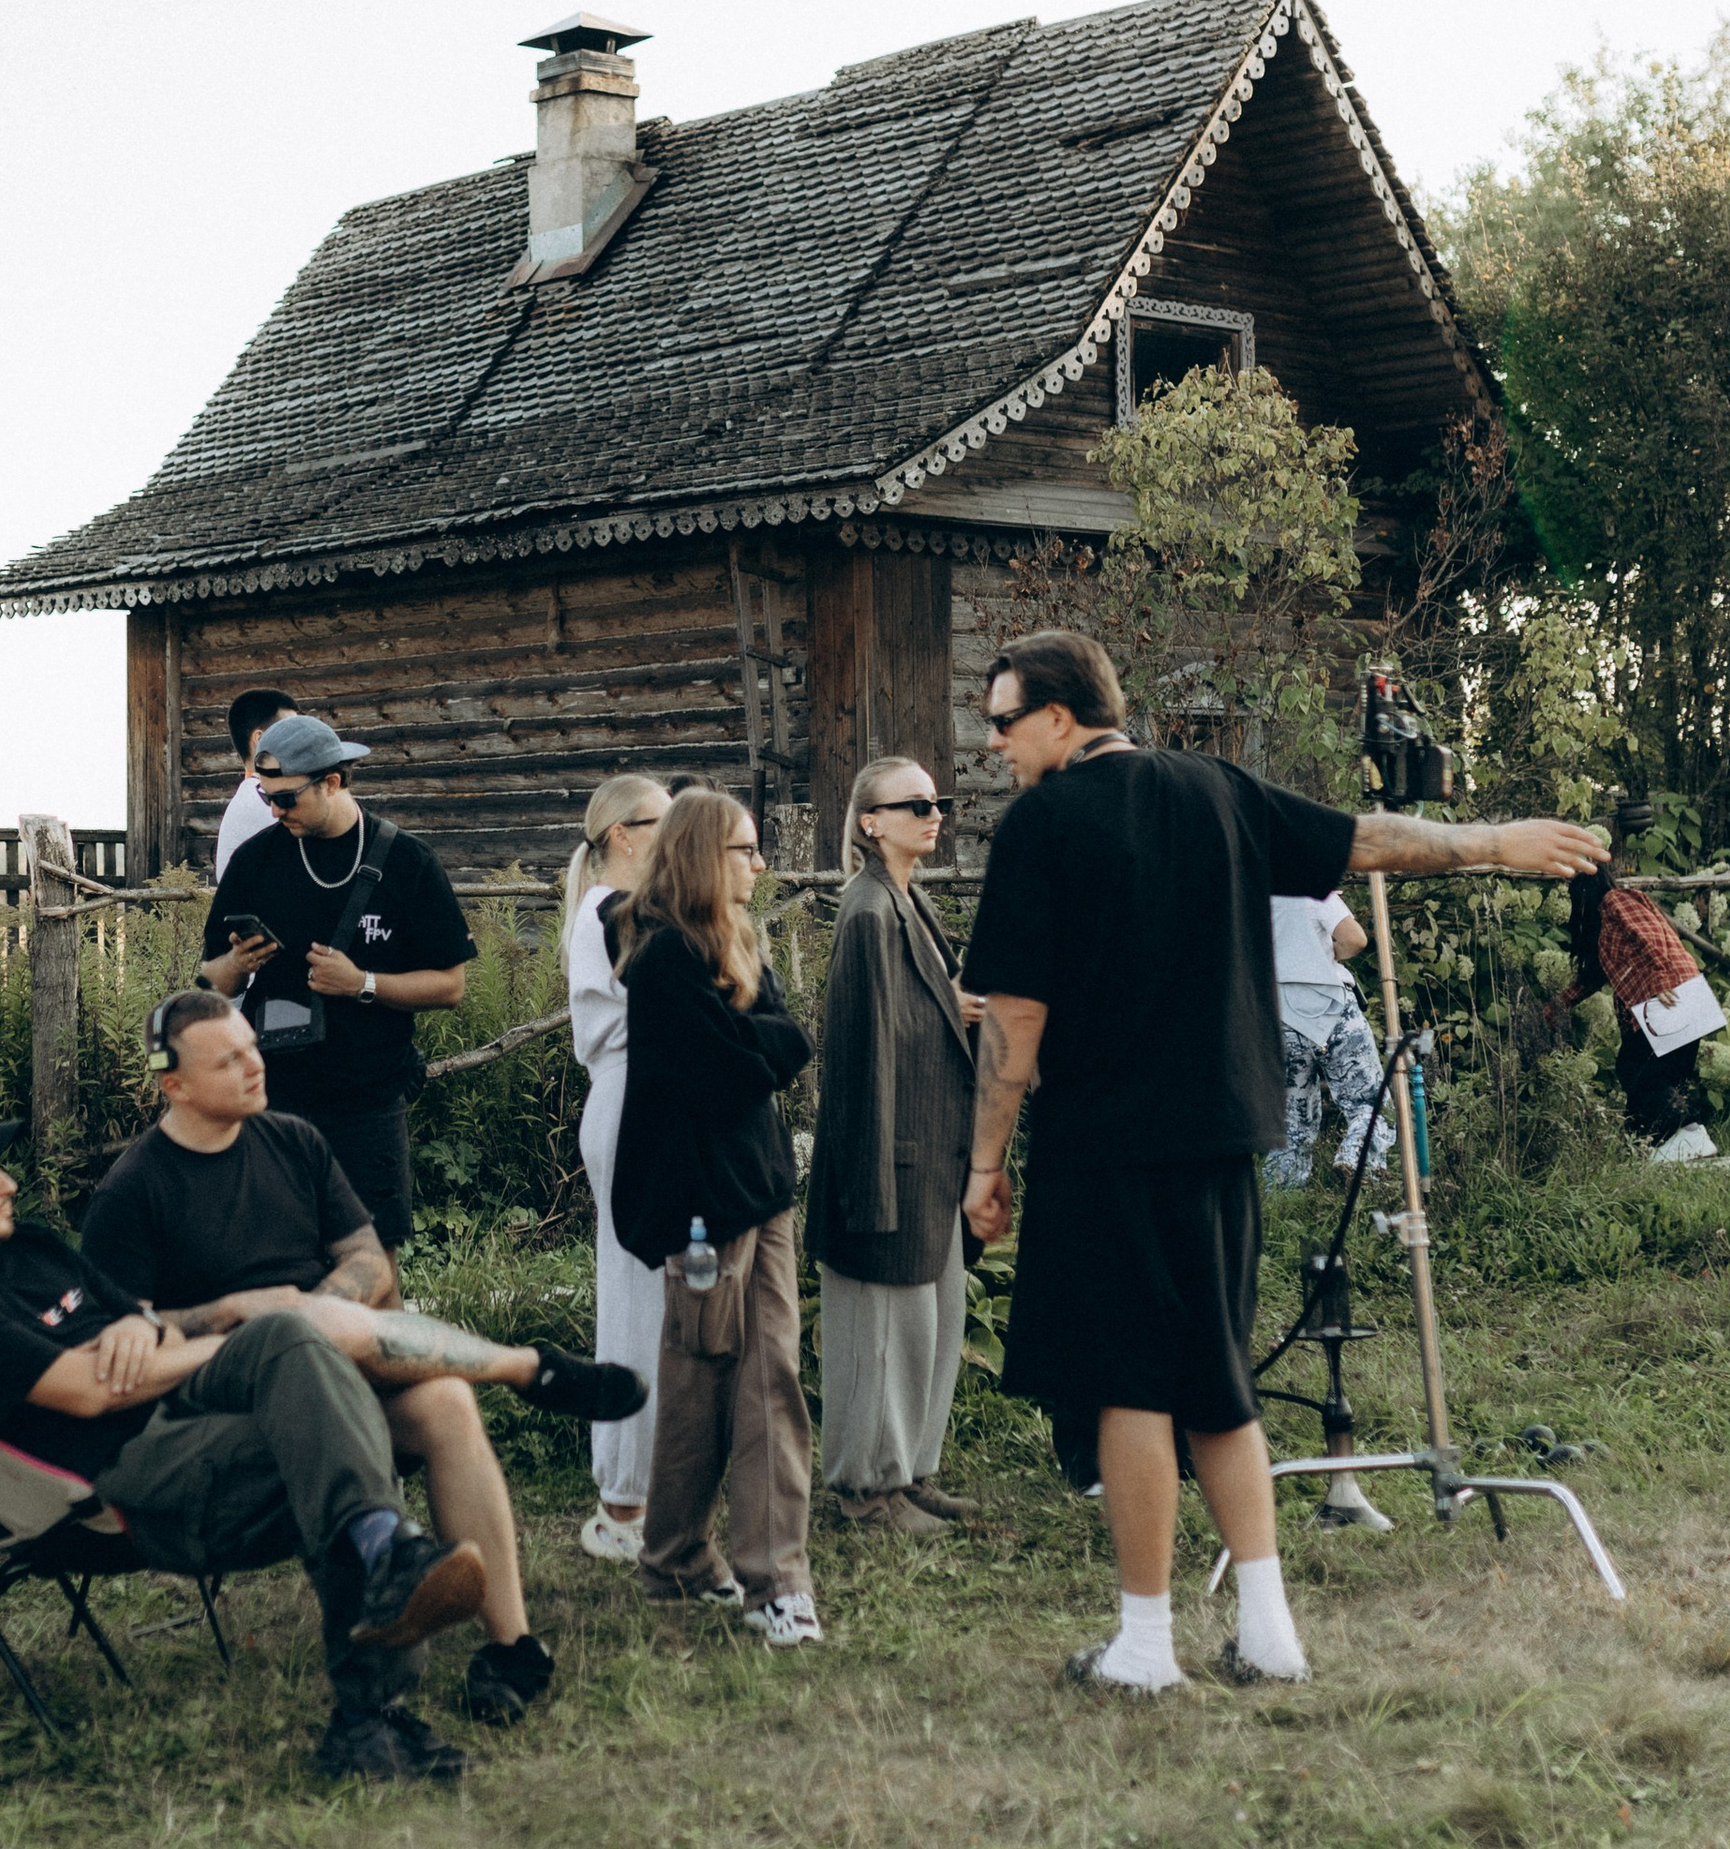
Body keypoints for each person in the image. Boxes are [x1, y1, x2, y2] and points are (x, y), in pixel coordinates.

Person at [959, 628, 1603, 1697]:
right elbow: (1369, 842)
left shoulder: (1041, 826)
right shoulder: (1214, 789)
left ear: (1060, 718)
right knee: (1215, 1379)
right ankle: (1267, 1636)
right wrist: (1496, 839)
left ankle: (1145, 1645)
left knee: (1126, 1386)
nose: (993, 746)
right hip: (1221, 1130)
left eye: (1000, 723)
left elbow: (1014, 1021)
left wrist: (985, 1163)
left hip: (1106, 1143)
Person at [0, 1103, 494, 1783]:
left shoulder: (33, 1250)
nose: (8, 1184)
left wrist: (144, 1332)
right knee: (330, 1426)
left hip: (177, 1422)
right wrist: (220, 1343)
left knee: (296, 1349)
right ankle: (372, 1684)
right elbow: (86, 1389)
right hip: (111, 1486)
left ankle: (383, 1576)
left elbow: (145, 1325)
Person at [82, 993, 645, 1721]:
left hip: (325, 1349)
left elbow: (368, 1261)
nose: (257, 1065)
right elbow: (125, 1337)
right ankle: (526, 1367)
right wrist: (231, 1313)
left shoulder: (293, 1141)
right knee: (291, 1325)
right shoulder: (131, 1192)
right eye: (230, 1060)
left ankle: (511, 1648)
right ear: (175, 1085)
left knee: (444, 1401)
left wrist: (319, 1305)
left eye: (253, 1047)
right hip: (219, 1395)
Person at [611, 787, 820, 1648]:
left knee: (722, 1373)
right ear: (704, 856)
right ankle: (775, 1584)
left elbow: (786, 1043)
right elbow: (733, 1070)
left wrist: (759, 1038)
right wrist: (761, 1039)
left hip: (756, 1189)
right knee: (752, 1381)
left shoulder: (735, 946)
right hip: (705, 1201)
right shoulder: (664, 962)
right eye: (745, 850)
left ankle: (673, 1557)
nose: (759, 864)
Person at [201, 713, 476, 1253]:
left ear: (332, 782)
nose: (276, 812)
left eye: (287, 799)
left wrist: (362, 983)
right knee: (278, 1260)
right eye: (267, 798)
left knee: (375, 1264)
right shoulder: (255, 861)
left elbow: (450, 985)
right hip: (273, 1096)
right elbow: (208, 980)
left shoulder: (407, 862)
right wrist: (236, 967)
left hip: (367, 1099)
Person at [805, 757, 978, 1540]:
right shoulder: (868, 912)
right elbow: (859, 1057)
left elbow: (918, 1013)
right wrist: (868, 1185)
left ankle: (909, 1471)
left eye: (937, 801)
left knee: (933, 1323)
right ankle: (867, 1493)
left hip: (931, 1154)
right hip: (890, 1159)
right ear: (870, 822)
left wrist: (957, 1004)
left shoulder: (910, 900)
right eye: (913, 804)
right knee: (879, 1334)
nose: (932, 813)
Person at [562, 771, 671, 1562]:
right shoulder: (609, 913)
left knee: (657, 1301)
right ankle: (621, 1501)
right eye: (663, 819)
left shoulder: (625, 913)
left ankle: (651, 1482)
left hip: (647, 1099)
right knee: (634, 1305)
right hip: (633, 1101)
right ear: (624, 835)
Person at [1565, 803, 1724, 1159]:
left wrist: (1662, 982)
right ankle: (1674, 1143)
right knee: (1649, 1075)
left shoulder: (1615, 902)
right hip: (1680, 1000)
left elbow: (1652, 937)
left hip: (1672, 998)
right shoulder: (1607, 929)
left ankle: (1688, 1136)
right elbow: (1593, 977)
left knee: (1640, 1072)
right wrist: (1557, 1005)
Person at [1263, 890, 1393, 1190]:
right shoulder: (1313, 890)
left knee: (1291, 1121)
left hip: (1280, 1014)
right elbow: (1355, 938)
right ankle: (1357, 1162)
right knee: (1369, 1101)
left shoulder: (1250, 895)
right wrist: (1332, 952)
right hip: (1330, 1007)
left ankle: (1282, 1196)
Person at [214, 687, 301, 882]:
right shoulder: (262, 800)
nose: (299, 742)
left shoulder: (252, 795)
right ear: (260, 740)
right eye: (290, 733)